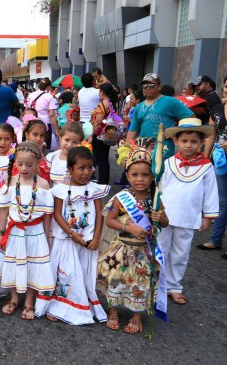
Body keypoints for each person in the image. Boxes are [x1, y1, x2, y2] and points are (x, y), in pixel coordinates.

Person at [98, 144, 169, 333]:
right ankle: (113, 310)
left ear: (152, 177)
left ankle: (137, 316)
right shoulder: (121, 198)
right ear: (127, 176)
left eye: (145, 175)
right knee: (116, 279)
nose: (140, 179)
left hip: (144, 250)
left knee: (141, 283)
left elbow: (166, 222)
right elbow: (110, 221)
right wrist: (129, 227)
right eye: (135, 174)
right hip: (122, 249)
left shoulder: (155, 198)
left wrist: (159, 217)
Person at [35, 146, 109, 324]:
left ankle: (82, 305)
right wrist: (71, 233)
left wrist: (97, 237)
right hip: (68, 241)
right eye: (81, 168)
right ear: (70, 169)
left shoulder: (94, 189)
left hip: (88, 241)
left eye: (90, 167)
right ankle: (59, 306)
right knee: (66, 275)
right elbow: (58, 214)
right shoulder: (61, 190)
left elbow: (100, 215)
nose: (86, 172)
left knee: (83, 274)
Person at [157, 118, 218, 305]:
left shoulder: (206, 167)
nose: (189, 145)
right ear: (176, 141)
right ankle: (156, 285)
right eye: (184, 141)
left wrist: (208, 216)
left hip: (188, 217)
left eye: (194, 142)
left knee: (180, 254)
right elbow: (158, 189)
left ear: (202, 143)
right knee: (161, 250)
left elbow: (210, 193)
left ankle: (174, 286)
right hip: (165, 217)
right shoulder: (167, 163)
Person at [0, 142, 54, 320]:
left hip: (35, 232)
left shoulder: (43, 185)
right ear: (15, 162)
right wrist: (2, 230)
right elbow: (4, 208)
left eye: (29, 164)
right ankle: (13, 298)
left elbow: (47, 214)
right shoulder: (11, 182)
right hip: (14, 232)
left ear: (38, 163)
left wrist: (47, 236)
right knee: (13, 264)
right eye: (20, 164)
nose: (24, 168)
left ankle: (29, 301)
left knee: (33, 266)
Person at [126, 73, 194, 157]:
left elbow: (191, 117)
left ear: (159, 86)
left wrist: (175, 131)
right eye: (144, 86)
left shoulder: (170, 101)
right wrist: (126, 151)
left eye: (151, 85)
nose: (147, 88)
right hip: (143, 153)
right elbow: (133, 130)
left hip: (164, 152)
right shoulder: (139, 107)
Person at [200, 76, 227, 253]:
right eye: (226, 86)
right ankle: (216, 240)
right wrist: (204, 158)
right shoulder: (217, 109)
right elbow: (211, 135)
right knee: (222, 202)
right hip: (220, 160)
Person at [90, 82, 120, 184]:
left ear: (102, 92)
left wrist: (91, 134)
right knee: (104, 158)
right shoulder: (111, 103)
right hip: (107, 134)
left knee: (101, 159)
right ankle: (104, 180)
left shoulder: (104, 104)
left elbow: (98, 121)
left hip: (100, 135)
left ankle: (103, 182)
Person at [25, 79, 59, 151]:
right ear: (48, 87)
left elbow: (26, 110)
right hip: (45, 124)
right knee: (44, 147)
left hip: (32, 122)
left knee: (31, 145)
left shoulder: (30, 95)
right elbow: (52, 115)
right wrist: (56, 129)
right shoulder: (49, 97)